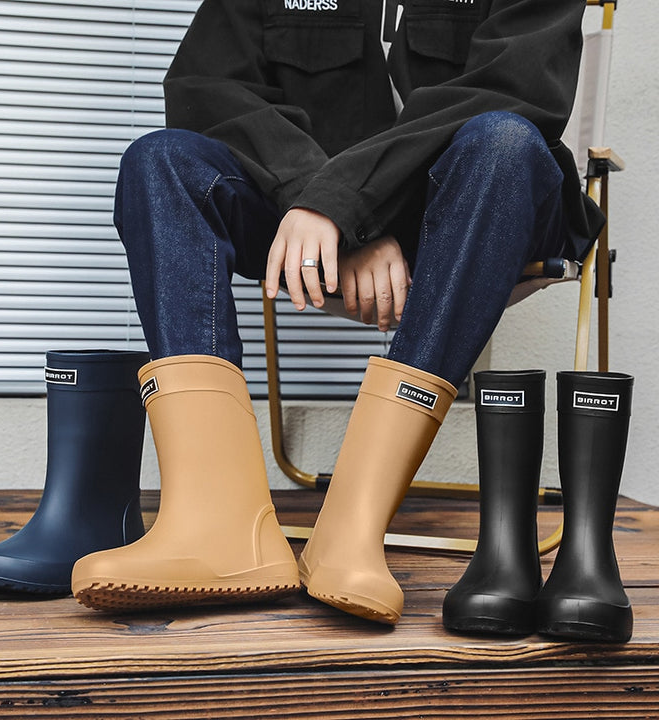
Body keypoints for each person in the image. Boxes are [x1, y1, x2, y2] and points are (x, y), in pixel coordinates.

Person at [71, 0, 604, 624]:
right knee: (159, 160)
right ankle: (216, 528)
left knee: (504, 141)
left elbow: (516, 88)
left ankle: (350, 528)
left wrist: (348, 201)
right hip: (309, 209)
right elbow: (205, 86)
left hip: (482, 202)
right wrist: (318, 198)